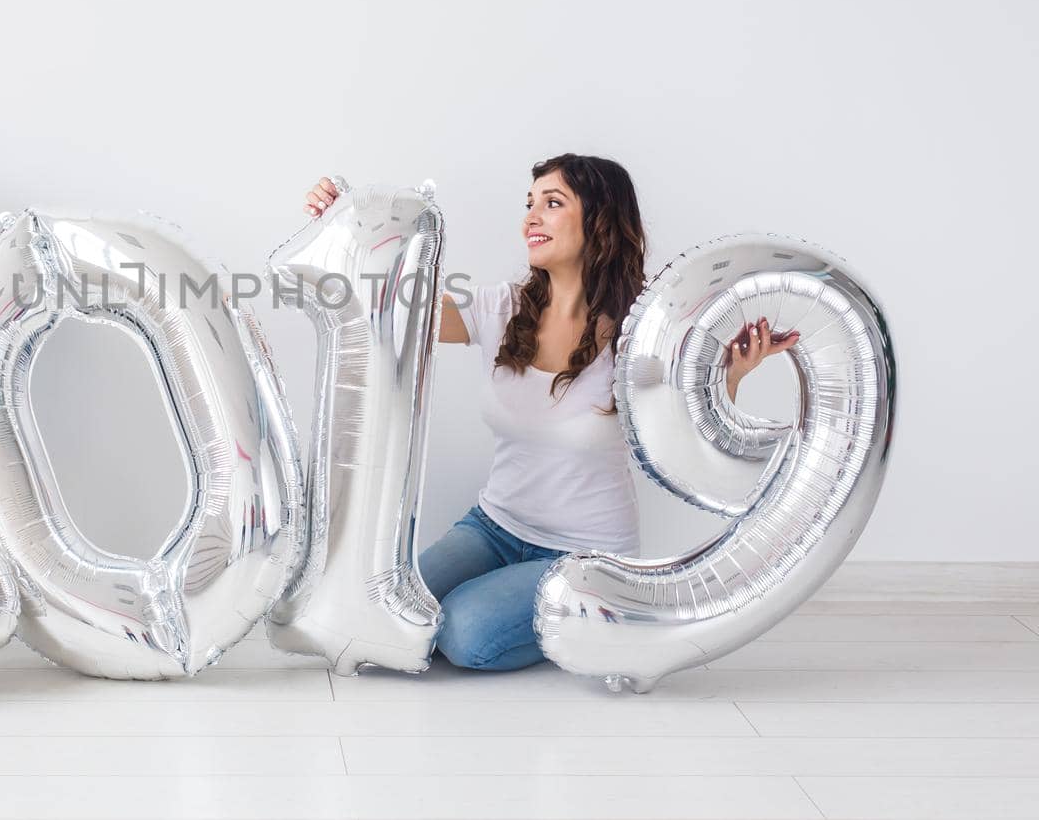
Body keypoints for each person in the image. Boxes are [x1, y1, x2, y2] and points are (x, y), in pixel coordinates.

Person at [302, 155, 795, 671]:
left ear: (599, 222)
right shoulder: (502, 308)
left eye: (552, 203)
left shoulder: (643, 334)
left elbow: (686, 440)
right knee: (390, 608)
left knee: (463, 635)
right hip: (492, 527)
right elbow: (392, 311)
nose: (530, 218)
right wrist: (345, 225)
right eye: (530, 203)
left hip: (582, 554)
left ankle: (595, 615)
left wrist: (730, 377)